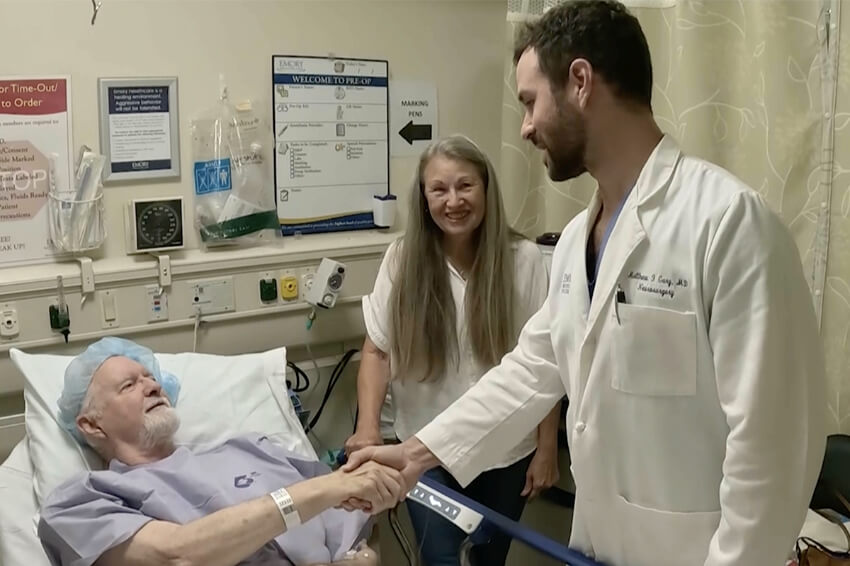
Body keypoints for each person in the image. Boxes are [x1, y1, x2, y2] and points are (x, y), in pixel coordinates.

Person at [343, 2, 828, 566]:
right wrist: (416, 453)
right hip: (601, 546)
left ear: (579, 81)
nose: (524, 128)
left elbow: (774, 446)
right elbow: (530, 372)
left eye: (529, 102)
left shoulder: (727, 223)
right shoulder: (575, 241)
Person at [343, 134, 561, 566]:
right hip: (425, 450)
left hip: (506, 450)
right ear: (424, 199)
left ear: (486, 190)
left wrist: (547, 447)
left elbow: (545, 363)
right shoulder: (402, 259)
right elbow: (378, 351)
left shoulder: (524, 260)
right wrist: (368, 428)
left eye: (465, 186)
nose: (453, 200)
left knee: (488, 558)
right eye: (439, 189)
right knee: (440, 557)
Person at [38, 337, 405, 566]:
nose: (152, 387)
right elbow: (177, 555)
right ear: (91, 425)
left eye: (151, 378)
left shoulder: (253, 450)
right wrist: (322, 491)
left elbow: (358, 527)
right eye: (129, 385)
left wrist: (362, 559)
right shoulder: (81, 503)